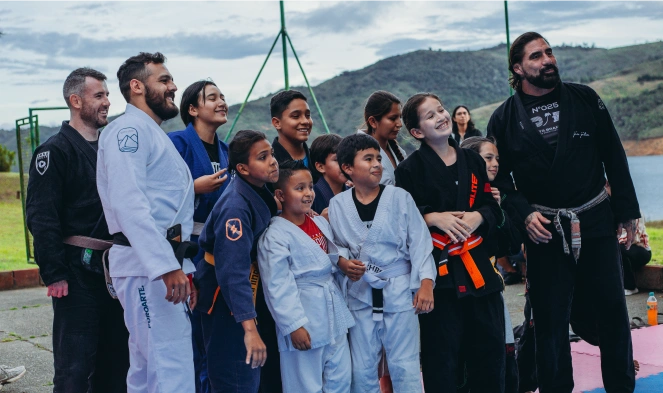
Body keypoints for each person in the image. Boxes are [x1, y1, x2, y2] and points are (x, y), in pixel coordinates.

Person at [487, 32, 640, 392]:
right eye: (536, 56)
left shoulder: (585, 98)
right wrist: (523, 213)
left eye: (549, 52)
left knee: (613, 312)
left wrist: (628, 212)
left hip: (596, 220)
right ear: (518, 68)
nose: (547, 60)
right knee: (550, 320)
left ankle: (622, 387)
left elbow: (614, 157)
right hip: (544, 229)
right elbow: (500, 180)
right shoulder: (504, 119)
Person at [97, 52, 196, 393]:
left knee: (150, 369)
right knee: (169, 366)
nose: (173, 87)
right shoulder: (128, 131)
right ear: (137, 86)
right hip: (147, 267)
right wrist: (166, 266)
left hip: (158, 265)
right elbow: (130, 204)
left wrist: (181, 267)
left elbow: (164, 209)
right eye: (164, 80)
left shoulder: (149, 133)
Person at [26, 67, 130, 393]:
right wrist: (54, 272)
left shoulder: (111, 148)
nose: (107, 102)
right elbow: (42, 216)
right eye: (99, 95)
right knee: (75, 370)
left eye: (107, 95)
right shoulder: (54, 151)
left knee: (116, 367)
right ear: (75, 100)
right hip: (75, 274)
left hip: (114, 273)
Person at [396, 93, 506, 393]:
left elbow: (493, 208)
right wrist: (433, 218)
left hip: (481, 275)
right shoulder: (408, 171)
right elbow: (402, 222)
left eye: (441, 109)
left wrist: (478, 217)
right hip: (440, 281)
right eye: (430, 115)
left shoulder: (472, 159)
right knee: (442, 361)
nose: (441, 116)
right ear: (417, 132)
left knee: (491, 354)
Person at [329, 133, 436, 392]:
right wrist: (343, 262)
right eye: (368, 159)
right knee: (362, 367)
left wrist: (426, 283)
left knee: (405, 364)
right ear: (348, 168)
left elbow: (420, 241)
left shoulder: (400, 197)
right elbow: (334, 245)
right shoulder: (337, 205)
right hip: (361, 292)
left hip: (400, 290)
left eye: (378, 158)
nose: (377, 163)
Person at [257, 161, 355, 392]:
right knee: (304, 384)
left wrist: (344, 263)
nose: (308, 193)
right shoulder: (275, 235)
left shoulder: (319, 222)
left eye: (310, 187)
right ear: (280, 194)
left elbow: (333, 252)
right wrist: (293, 325)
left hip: (333, 311)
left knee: (340, 379)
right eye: (299, 188)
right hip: (304, 313)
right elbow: (277, 284)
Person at [196, 130, 278, 393]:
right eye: (263, 157)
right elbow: (233, 271)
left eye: (271, 154)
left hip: (243, 291)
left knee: (250, 375)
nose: (272, 161)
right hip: (226, 298)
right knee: (235, 375)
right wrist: (249, 329)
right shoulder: (236, 208)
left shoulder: (255, 190)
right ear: (242, 168)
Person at [168, 79, 231, 393]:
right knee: (192, 339)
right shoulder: (176, 143)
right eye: (212, 98)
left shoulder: (226, 149)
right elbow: (159, 193)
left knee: (213, 337)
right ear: (192, 109)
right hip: (188, 251)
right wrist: (194, 187)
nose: (221, 102)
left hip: (221, 251)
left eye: (222, 96)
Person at [460, 136, 524, 393]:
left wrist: (496, 210)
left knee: (497, 353)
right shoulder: (456, 198)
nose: (495, 163)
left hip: (489, 286)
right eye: (488, 158)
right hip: (461, 289)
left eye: (497, 158)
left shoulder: (497, 197)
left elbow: (511, 246)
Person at [360, 90, 407, 185]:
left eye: (400, 118)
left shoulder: (400, 152)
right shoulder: (356, 153)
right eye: (393, 118)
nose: (399, 124)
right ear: (373, 121)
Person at [270, 89, 316, 180]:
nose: (305, 121)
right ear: (277, 123)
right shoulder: (270, 165)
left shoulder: (318, 159)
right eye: (295, 116)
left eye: (308, 115)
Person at [310, 133, 348, 217]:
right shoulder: (310, 196)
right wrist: (321, 221)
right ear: (320, 167)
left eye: (346, 158)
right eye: (337, 159)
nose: (344, 164)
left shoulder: (353, 193)